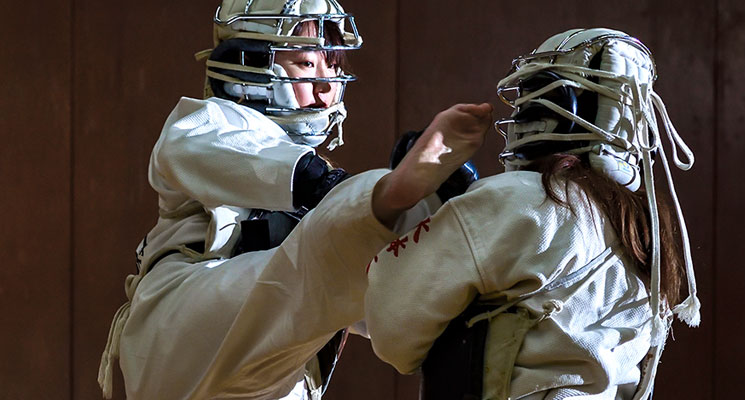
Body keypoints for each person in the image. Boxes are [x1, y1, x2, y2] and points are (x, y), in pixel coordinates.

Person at [96, 0, 492, 399]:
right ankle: (395, 200)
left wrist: (428, 230)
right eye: (306, 63)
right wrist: (350, 188)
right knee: (328, 242)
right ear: (250, 64)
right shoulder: (210, 122)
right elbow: (240, 157)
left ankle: (420, 214)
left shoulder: (316, 190)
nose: (326, 84)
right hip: (183, 321)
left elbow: (356, 296)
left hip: (270, 372)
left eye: (333, 67)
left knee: (355, 260)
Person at [363, 28, 700, 399]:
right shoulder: (646, 228)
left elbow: (392, 326)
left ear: (558, 106)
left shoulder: (517, 198)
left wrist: (439, 211)